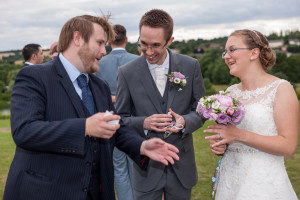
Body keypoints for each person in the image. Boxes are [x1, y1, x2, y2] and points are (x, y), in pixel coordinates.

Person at [3, 15, 180, 200]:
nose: (105, 51)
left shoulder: (100, 86)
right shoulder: (34, 77)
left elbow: (114, 127)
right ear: (77, 38)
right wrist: (85, 127)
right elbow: (25, 131)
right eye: (100, 43)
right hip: (47, 192)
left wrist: (142, 146)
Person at [116, 9, 205, 200]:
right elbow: (121, 119)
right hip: (145, 169)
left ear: (170, 41)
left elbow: (200, 110)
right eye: (143, 44)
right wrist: (144, 123)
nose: (148, 51)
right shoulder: (126, 72)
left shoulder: (191, 66)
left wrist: (184, 122)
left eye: (156, 45)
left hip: (181, 166)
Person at [205, 29, 298, 199]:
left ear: (254, 53)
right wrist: (221, 146)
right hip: (230, 181)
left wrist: (238, 135)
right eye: (224, 52)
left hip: (264, 184)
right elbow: (230, 137)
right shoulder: (230, 92)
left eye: (232, 50)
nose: (226, 56)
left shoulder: (281, 89)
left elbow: (289, 147)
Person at [95, 24, 138, 200]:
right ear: (126, 40)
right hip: (135, 119)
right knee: (137, 164)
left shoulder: (99, 62)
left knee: (119, 167)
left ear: (109, 41)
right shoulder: (137, 60)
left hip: (110, 120)